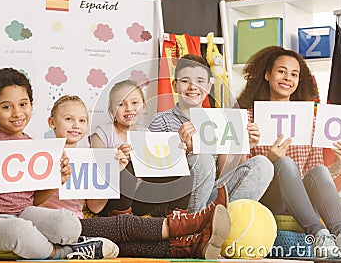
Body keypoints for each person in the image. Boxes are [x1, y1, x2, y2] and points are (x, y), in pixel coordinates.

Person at [42, 94, 232, 259]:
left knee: (121, 246)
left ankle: (191, 247)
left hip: (81, 225)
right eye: (68, 119)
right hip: (54, 225)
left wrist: (113, 173)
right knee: (124, 225)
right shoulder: (42, 157)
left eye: (82, 120)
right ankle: (194, 224)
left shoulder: (91, 157)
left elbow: (95, 205)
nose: (76, 125)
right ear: (52, 122)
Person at [236, 46, 341, 259]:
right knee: (285, 164)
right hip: (269, 197)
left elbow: (314, 173)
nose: (288, 78)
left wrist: (340, 164)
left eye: (294, 74)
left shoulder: (309, 118)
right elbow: (242, 176)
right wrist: (270, 161)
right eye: (281, 71)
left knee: (322, 170)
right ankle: (318, 234)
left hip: (301, 200)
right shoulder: (249, 117)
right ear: (267, 75)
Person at [0, 68, 102, 260]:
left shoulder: (34, 145)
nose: (17, 113)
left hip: (24, 212)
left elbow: (34, 200)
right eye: (6, 107)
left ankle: (60, 245)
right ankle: (67, 252)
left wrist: (57, 179)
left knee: (69, 224)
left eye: (23, 104)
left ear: (31, 105)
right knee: (19, 230)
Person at [149, 54, 274, 214]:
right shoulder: (161, 121)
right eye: (185, 81)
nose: (193, 87)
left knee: (263, 164)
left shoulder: (219, 120)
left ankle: (223, 222)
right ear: (175, 85)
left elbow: (224, 173)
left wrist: (243, 145)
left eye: (200, 81)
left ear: (208, 87)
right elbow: (154, 176)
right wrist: (185, 152)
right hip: (178, 200)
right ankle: (193, 226)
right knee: (202, 158)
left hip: (211, 196)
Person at [89, 80, 146, 216]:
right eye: (121, 104)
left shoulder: (147, 135)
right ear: (111, 110)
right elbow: (97, 172)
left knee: (181, 172)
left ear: (144, 106)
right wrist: (116, 159)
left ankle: (177, 221)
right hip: (111, 201)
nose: (129, 108)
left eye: (135, 103)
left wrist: (176, 152)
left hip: (139, 200)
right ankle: (121, 219)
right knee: (127, 167)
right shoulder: (103, 134)